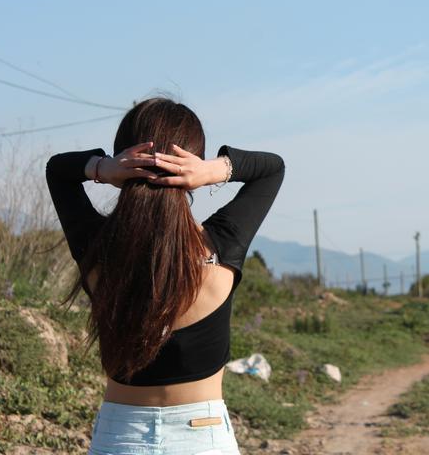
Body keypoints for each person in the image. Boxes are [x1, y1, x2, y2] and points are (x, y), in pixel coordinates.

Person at [45, 97, 285, 455]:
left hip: (119, 437)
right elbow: (272, 168)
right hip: (203, 437)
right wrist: (212, 171)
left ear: (123, 161)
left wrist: (103, 168)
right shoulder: (220, 246)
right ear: (192, 165)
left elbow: (57, 170)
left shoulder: (98, 249)